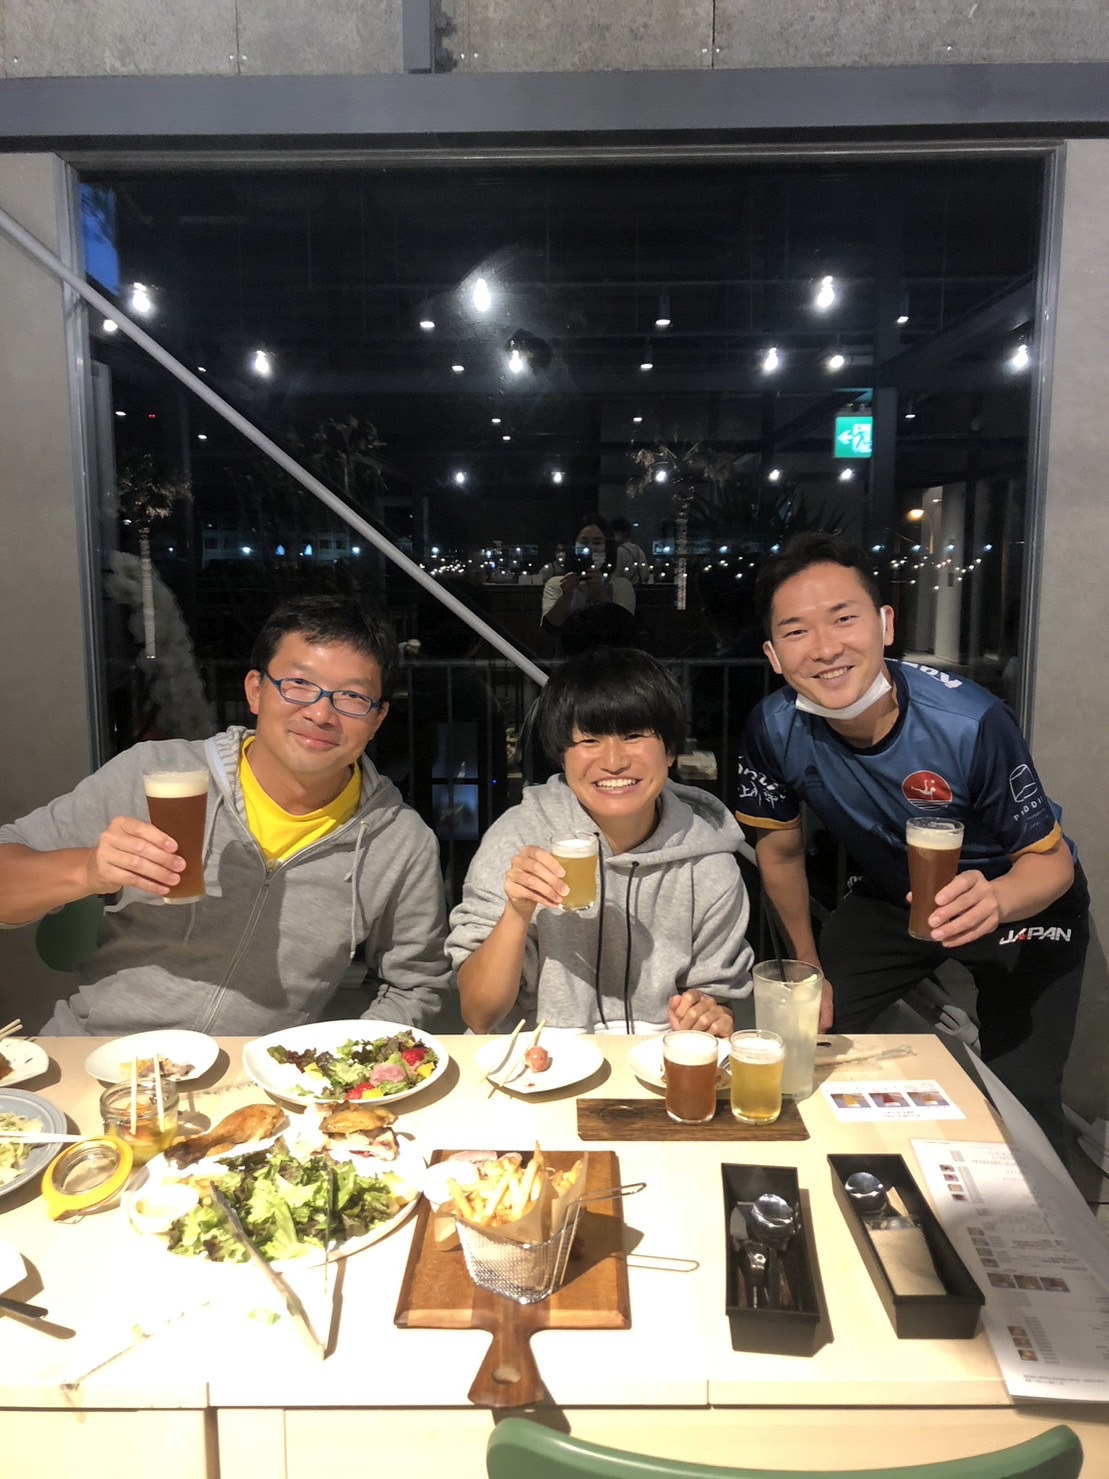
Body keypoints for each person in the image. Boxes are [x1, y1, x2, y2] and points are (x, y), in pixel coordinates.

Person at [735, 532, 1088, 1153]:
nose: (825, 648)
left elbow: (1051, 863)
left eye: (844, 618)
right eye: (796, 631)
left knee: (1024, 1099)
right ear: (773, 655)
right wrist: (808, 965)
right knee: (803, 1037)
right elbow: (781, 853)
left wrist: (998, 899)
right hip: (893, 894)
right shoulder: (774, 728)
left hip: (1018, 900)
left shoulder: (971, 722)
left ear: (886, 624)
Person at [0, 595, 452, 1036]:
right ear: (256, 691)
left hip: (251, 1074)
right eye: (299, 684)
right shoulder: (153, 774)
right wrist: (87, 870)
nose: (320, 713)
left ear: (377, 719)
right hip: (99, 1054)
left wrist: (344, 1056)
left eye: (351, 696)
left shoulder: (398, 841)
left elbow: (417, 983)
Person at [448, 646, 753, 1035]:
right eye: (589, 740)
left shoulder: (708, 862)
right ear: (562, 755)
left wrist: (710, 1015)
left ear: (671, 751)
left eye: (633, 735)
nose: (613, 762)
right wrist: (517, 912)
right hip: (530, 1058)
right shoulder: (518, 839)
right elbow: (479, 1014)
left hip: (651, 1061)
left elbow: (715, 1004)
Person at [541, 515, 636, 636]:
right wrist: (566, 596)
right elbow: (550, 629)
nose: (590, 548)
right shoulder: (557, 584)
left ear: (607, 547)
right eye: (584, 542)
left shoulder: (620, 585)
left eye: (597, 543)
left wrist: (600, 593)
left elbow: (625, 630)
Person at [611, 517, 652, 586]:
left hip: (624, 589)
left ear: (620, 533)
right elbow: (646, 575)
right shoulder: (639, 550)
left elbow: (616, 576)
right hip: (640, 589)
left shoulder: (619, 552)